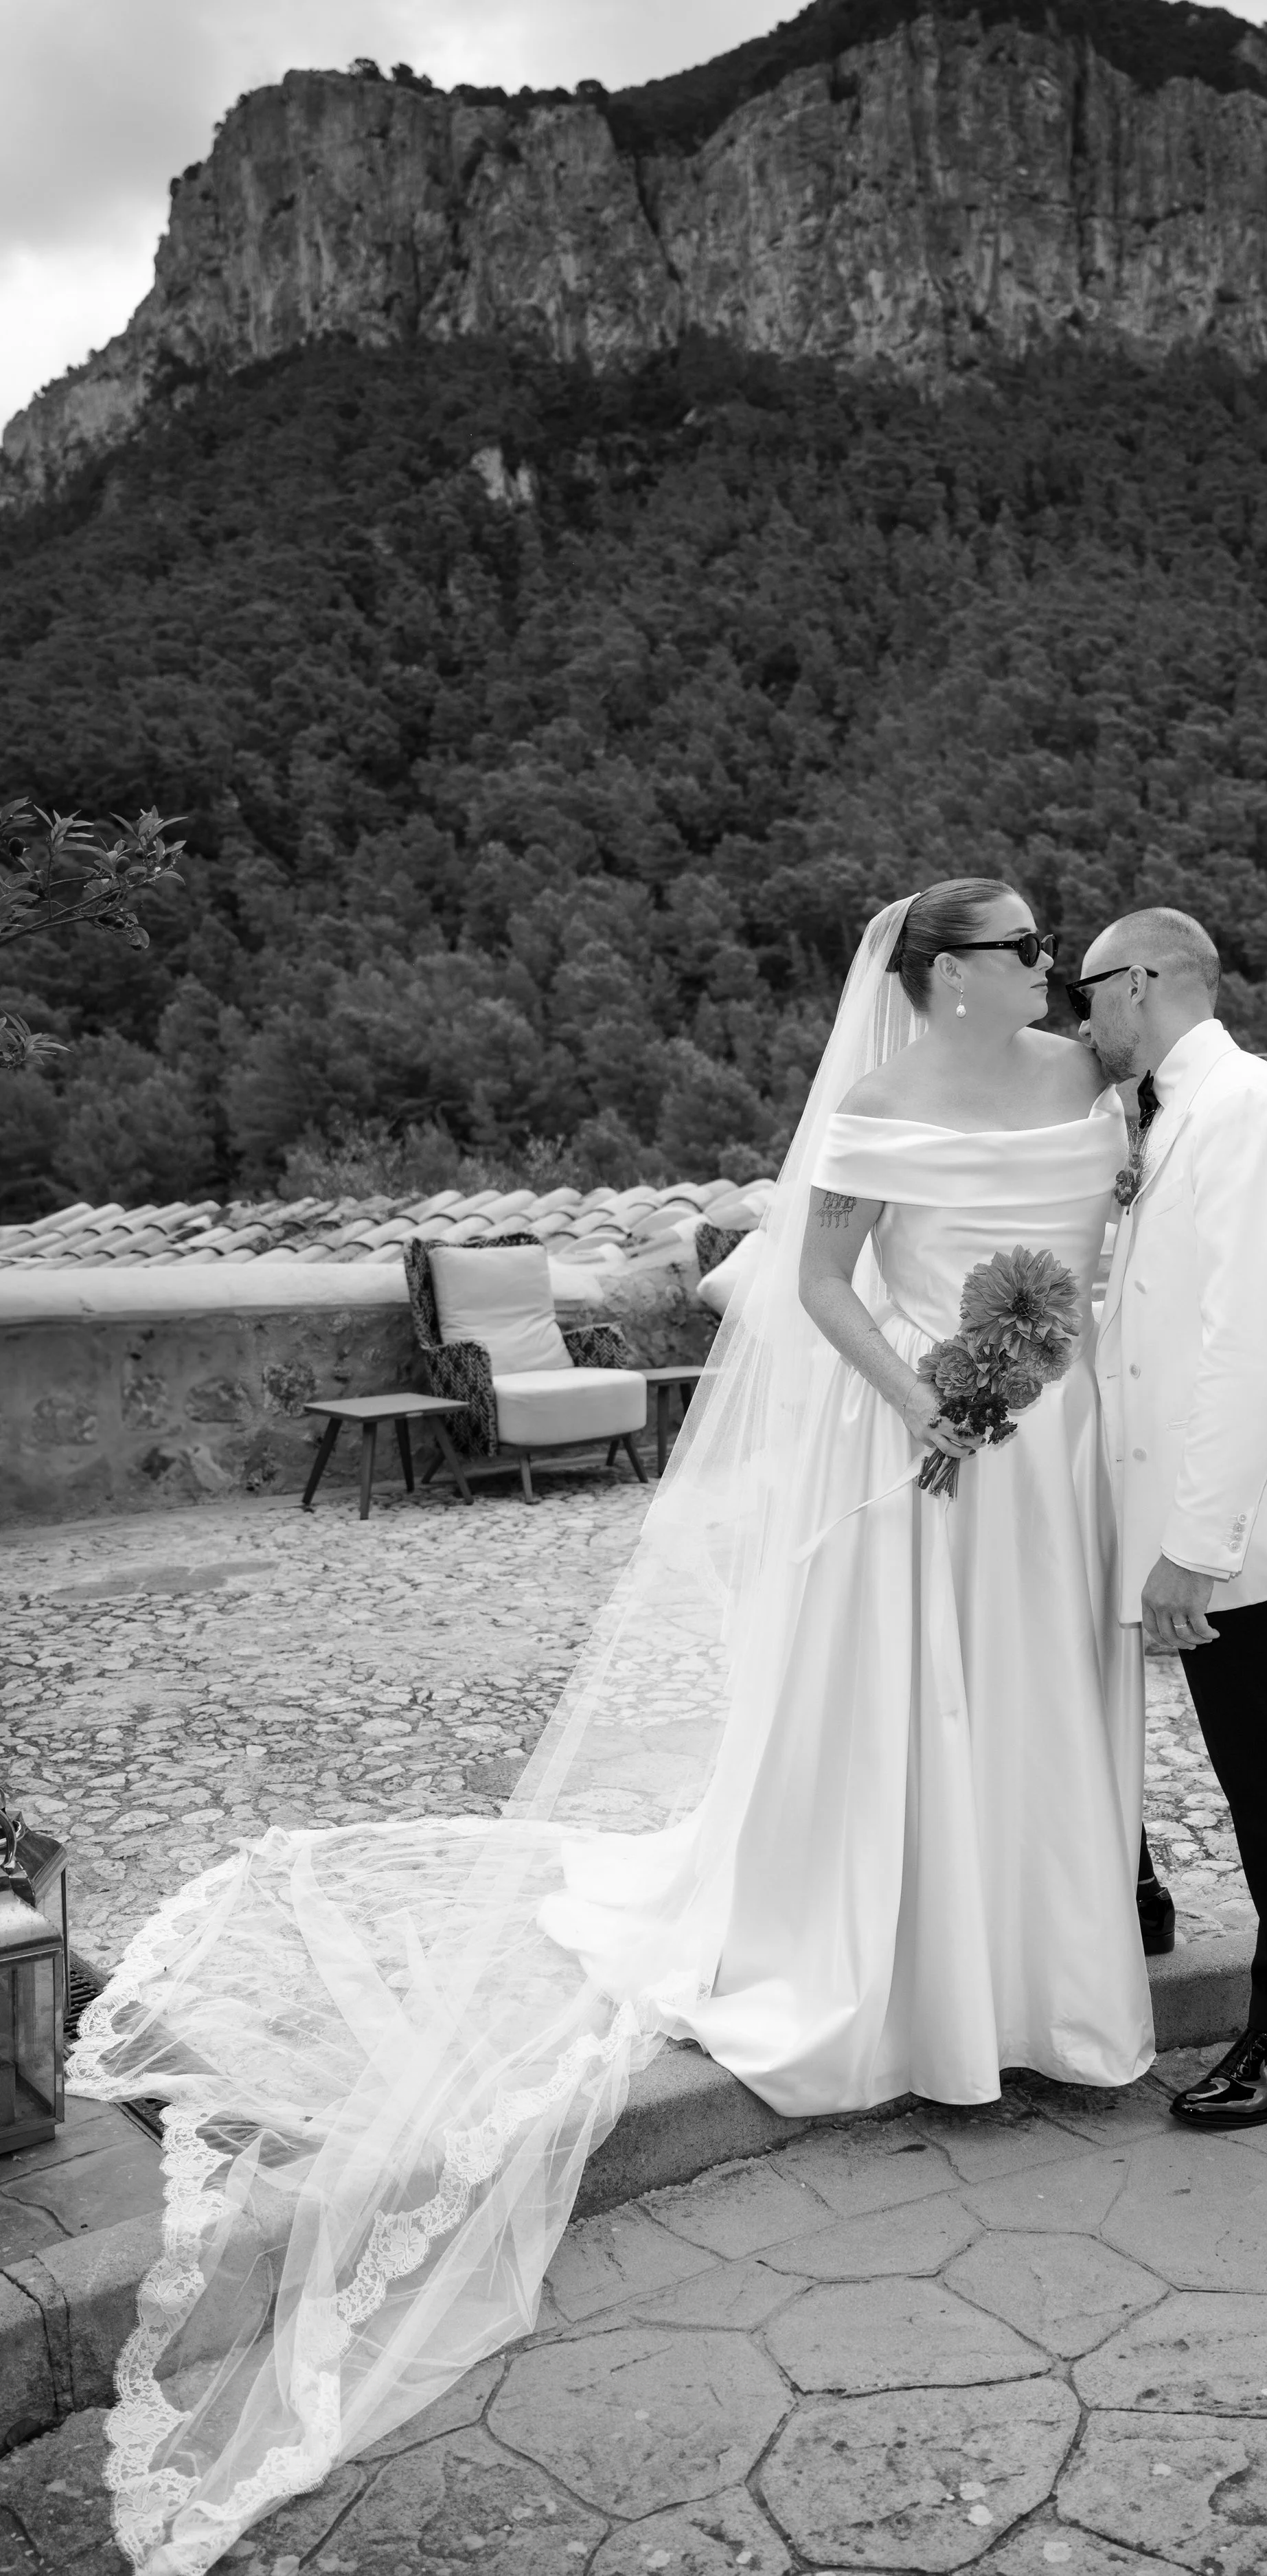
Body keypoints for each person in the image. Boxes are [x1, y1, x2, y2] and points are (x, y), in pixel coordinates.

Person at [67, 885, 1154, 2575]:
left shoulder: (1094, 1076)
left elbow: (1121, 1242)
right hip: (929, 1450)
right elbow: (819, 1282)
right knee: (917, 1715)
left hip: (1059, 1448)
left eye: (1045, 945)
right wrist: (924, 1392)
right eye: (1016, 946)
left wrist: (1065, 1385)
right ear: (939, 979)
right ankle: (913, 1978)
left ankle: (1045, 1976)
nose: (1046, 961)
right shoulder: (873, 1107)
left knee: (1034, 1710)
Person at [1071, 905, 1267, 2131]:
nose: (1079, 1016)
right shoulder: (1159, 1109)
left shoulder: (1249, 1106)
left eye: (1088, 991)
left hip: (1231, 1524)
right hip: (1173, 1510)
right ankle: (1140, 1901)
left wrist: (1195, 1544)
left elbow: (1249, 1343)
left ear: (1140, 981)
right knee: (1249, 1757)